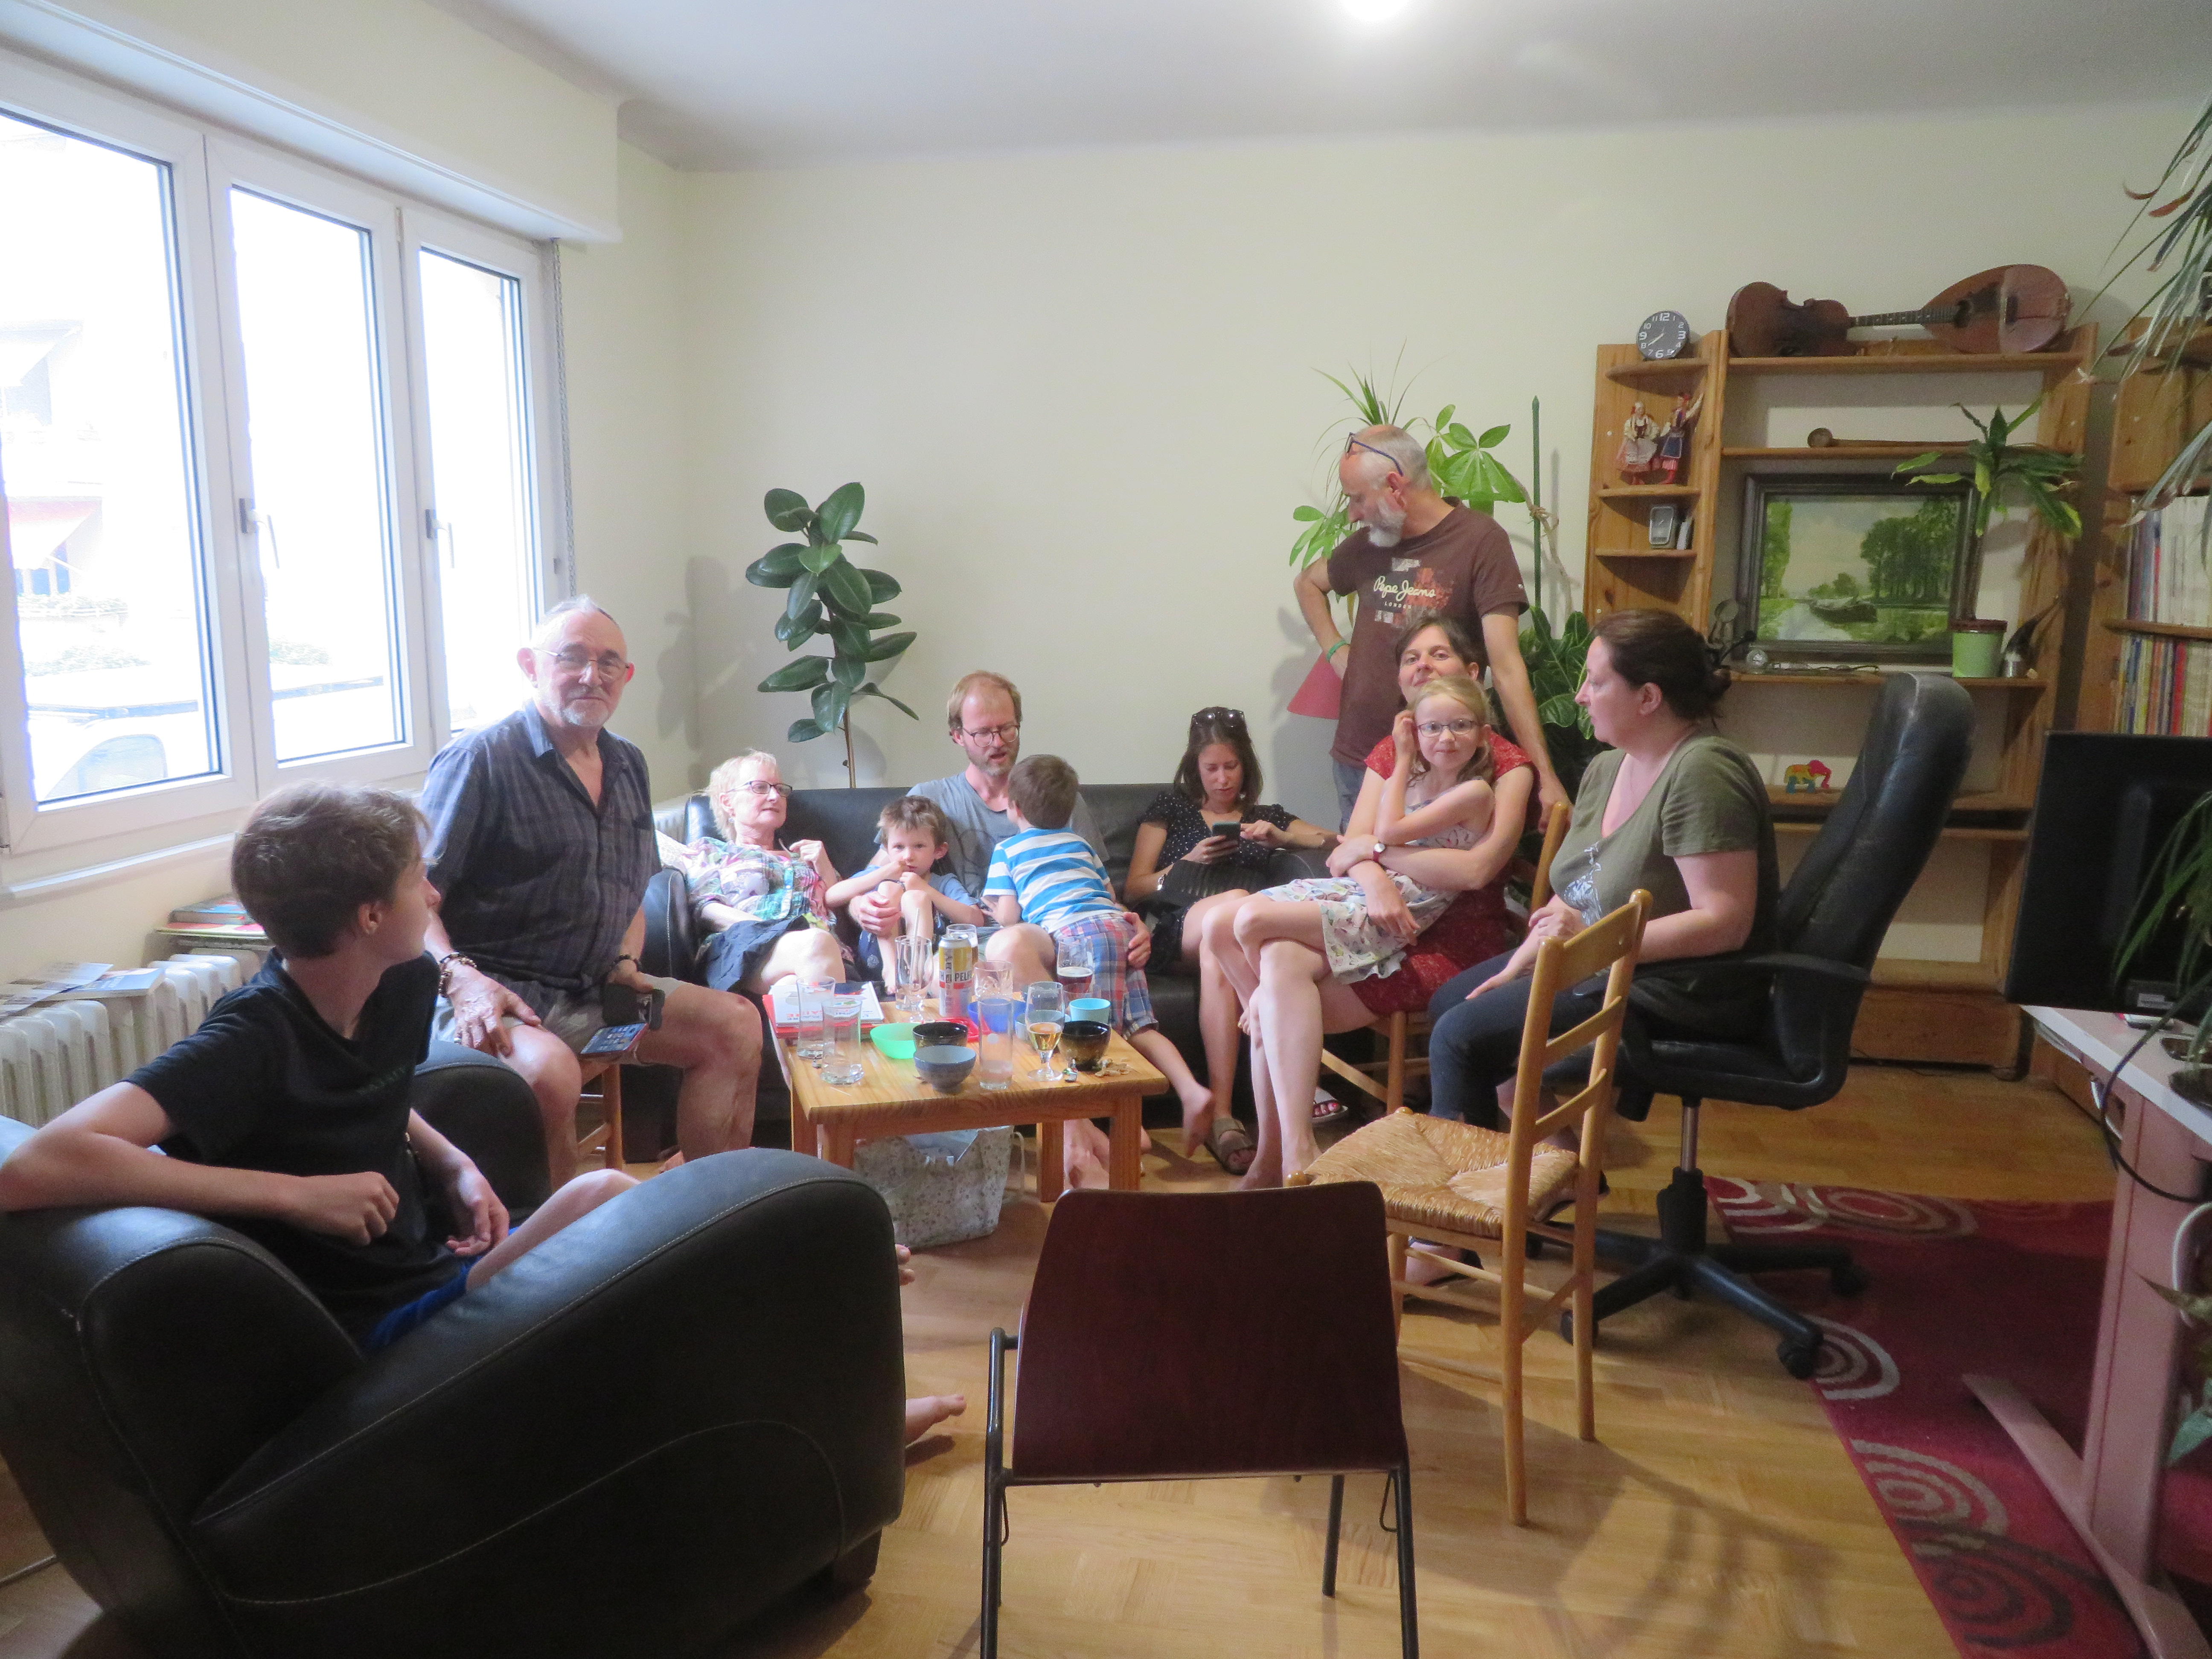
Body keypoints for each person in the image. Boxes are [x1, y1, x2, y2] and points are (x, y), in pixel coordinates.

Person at [0, 783, 635, 1354]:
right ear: (371, 916)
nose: (435, 895)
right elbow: (28, 1171)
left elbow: (368, 1090)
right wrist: (294, 1195)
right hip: (372, 1326)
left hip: (436, 1266)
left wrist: (453, 1164)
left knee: (634, 1260)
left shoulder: (405, 981)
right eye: (419, 879)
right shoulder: (252, 1038)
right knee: (603, 1196)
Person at [418, 597, 761, 1185]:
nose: (591, 675)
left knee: (734, 1024)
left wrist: (625, 962)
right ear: (530, 665)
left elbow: (631, 888)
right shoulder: (479, 759)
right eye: (572, 658)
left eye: (608, 663)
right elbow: (413, 897)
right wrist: (460, 977)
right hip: (495, 997)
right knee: (550, 1075)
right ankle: (565, 1238)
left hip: (594, 988)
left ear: (626, 677)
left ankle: (717, 1210)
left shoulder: (627, 763)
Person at [1196, 613, 1537, 1179]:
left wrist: (1376, 854)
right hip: (1376, 910)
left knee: (1265, 964)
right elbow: (1350, 849)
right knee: (1273, 958)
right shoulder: (1400, 751)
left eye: (1439, 655)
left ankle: (1287, 1151)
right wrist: (1374, 874)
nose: (1423, 668)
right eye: (1412, 658)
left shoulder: (1502, 766)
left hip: (1448, 942)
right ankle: (1282, 1155)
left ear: (1474, 674)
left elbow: (1472, 870)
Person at [1425, 608, 1777, 1136]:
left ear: (1648, 697)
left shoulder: (1703, 771)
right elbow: (1578, 888)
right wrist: (1527, 957)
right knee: (1451, 1003)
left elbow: (1724, 922)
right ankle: (1559, 1164)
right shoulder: (1608, 767)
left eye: (1595, 681)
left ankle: (1465, 1183)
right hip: (1601, 959)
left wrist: (1585, 941)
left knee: (1463, 1036)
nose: (1580, 696)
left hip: (1677, 986)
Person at [1295, 424, 1565, 827]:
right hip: (1360, 760)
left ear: (1394, 486)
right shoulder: (1370, 545)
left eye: (1357, 498)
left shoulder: (1480, 541)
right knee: (1361, 864)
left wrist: (1546, 776)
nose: (1352, 514)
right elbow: (1308, 584)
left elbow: (1507, 668)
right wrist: (1335, 649)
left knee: (1436, 866)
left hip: (1443, 764)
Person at [983, 755, 1212, 1184]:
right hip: (1118, 927)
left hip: (1077, 936)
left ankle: (1121, 1126)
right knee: (1139, 1027)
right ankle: (1190, 1088)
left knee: (1084, 1035)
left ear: (1013, 806)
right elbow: (1108, 894)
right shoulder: (1080, 844)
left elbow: (1010, 917)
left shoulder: (1008, 850)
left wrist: (994, 909)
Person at [1124, 706, 1334, 1170]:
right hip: (1179, 925)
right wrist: (1187, 863)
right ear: (1194, 767)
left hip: (1234, 943)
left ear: (1246, 765)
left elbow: (1338, 843)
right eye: (1211, 768)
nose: (1222, 779)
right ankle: (1297, 1073)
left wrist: (1283, 837)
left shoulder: (1267, 816)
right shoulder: (1169, 810)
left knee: (1220, 949)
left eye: (1231, 767)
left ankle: (1223, 1115)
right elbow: (1135, 887)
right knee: (1234, 906)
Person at [850, 672, 1147, 969]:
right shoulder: (929, 799)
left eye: (1007, 729)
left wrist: (1131, 924)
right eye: (983, 733)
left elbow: (1095, 891)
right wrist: (862, 908)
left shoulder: (1057, 799)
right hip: (966, 948)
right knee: (944, 972)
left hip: (1051, 942)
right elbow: (870, 879)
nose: (998, 742)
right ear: (958, 736)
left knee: (1010, 948)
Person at [686, 750, 851, 999]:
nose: (775, 796)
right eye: (760, 788)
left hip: (825, 959)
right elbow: (707, 909)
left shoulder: (808, 857)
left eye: (779, 789)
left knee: (791, 988)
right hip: (742, 952)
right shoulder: (711, 851)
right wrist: (774, 931)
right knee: (817, 944)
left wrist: (825, 867)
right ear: (728, 802)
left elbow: (843, 908)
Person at [824, 795, 989, 989]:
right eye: (899, 847)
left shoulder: (943, 883)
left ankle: (914, 971)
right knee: (888, 888)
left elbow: (976, 919)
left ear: (939, 851)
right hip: (875, 959)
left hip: (928, 965)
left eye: (919, 846)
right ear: (887, 849)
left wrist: (927, 890)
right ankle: (892, 969)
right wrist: (883, 874)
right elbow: (831, 897)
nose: (908, 856)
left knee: (916, 897)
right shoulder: (878, 874)